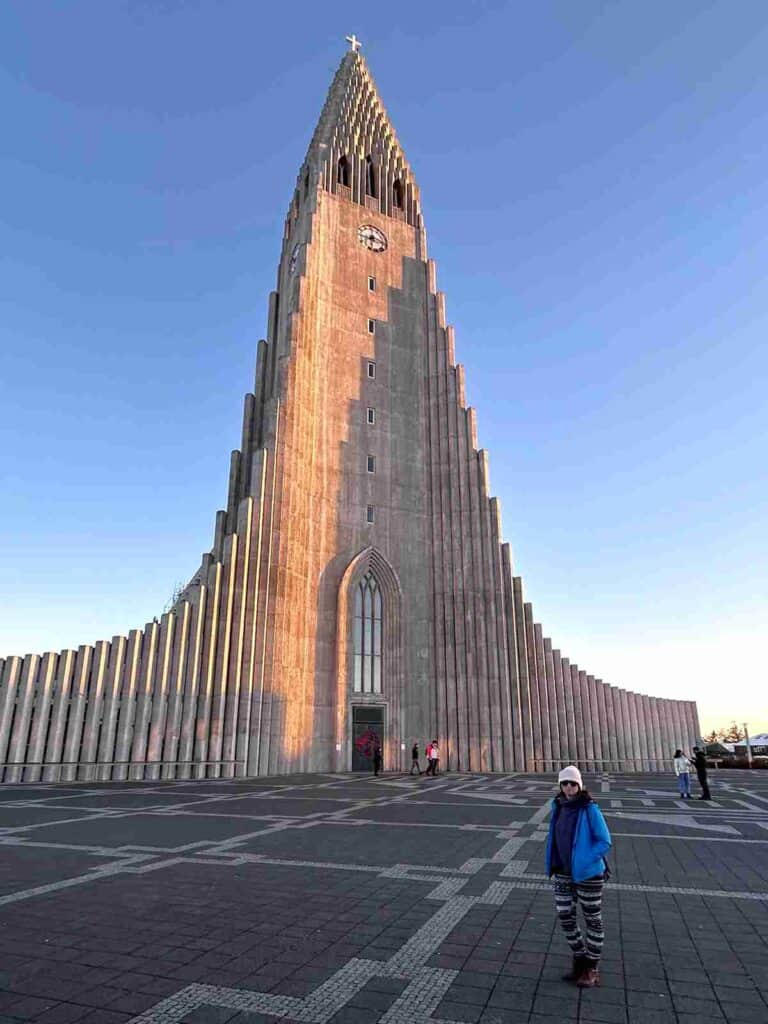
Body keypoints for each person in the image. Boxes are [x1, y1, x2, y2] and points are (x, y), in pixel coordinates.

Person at [546, 765, 612, 989]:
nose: (568, 788)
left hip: (588, 874)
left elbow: (604, 840)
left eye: (572, 783)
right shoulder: (558, 806)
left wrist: (584, 861)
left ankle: (591, 968)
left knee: (592, 920)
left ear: (580, 785)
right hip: (564, 872)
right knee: (565, 916)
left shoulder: (589, 808)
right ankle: (580, 958)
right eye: (564, 783)